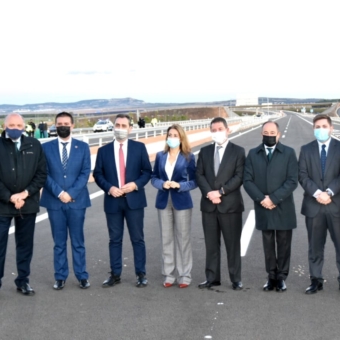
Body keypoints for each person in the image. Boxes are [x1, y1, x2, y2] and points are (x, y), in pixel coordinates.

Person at [0, 113, 47, 299]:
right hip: (1, 205)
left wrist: (25, 194)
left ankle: (23, 281)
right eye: (11, 124)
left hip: (27, 204)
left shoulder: (34, 145)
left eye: (18, 124)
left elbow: (41, 174)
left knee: (25, 245)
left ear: (24, 126)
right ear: (4, 126)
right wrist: (9, 196)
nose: (15, 127)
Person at [93, 113, 151, 288]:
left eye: (124, 126)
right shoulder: (103, 151)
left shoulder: (139, 148)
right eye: (117, 125)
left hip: (134, 201)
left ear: (130, 129)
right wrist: (109, 188)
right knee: (115, 240)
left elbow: (147, 172)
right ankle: (115, 274)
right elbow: (97, 174)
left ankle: (141, 274)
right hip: (113, 201)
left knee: (137, 239)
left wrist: (135, 185)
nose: (120, 129)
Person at [298, 115, 340, 295]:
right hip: (314, 206)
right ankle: (316, 280)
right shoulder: (306, 150)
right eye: (317, 126)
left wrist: (329, 192)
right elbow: (303, 175)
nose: (320, 129)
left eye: (324, 126)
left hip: (337, 204)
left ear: (331, 128)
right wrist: (317, 193)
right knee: (315, 246)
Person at [243, 120, 298, 292]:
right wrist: (262, 199)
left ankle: (281, 277)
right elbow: (247, 180)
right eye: (266, 133)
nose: (269, 136)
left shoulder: (289, 153)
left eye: (272, 133)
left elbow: (292, 181)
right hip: (262, 206)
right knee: (267, 244)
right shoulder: (253, 154)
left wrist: (273, 198)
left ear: (278, 134)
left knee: (283, 243)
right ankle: (271, 277)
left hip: (283, 205)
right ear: (261, 134)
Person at [40, 111, 92, 290]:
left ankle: (82, 276)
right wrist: (59, 193)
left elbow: (85, 173)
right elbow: (43, 174)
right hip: (54, 202)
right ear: (55, 125)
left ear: (72, 125)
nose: (63, 126)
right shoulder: (46, 148)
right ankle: (60, 276)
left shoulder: (83, 147)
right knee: (59, 242)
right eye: (59, 123)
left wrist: (70, 193)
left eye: (66, 123)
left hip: (77, 201)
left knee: (78, 241)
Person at [196, 117, 245, 290]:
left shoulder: (238, 151)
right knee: (211, 244)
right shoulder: (205, 151)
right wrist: (210, 193)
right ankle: (212, 277)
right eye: (213, 129)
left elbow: (239, 176)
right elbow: (199, 175)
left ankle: (235, 278)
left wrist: (220, 192)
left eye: (219, 129)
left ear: (227, 130)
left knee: (232, 245)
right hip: (209, 205)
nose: (217, 132)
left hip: (230, 206)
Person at [151, 124, 197, 288]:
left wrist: (180, 186)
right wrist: (162, 184)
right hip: (163, 200)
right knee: (166, 239)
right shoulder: (160, 156)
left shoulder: (189, 157)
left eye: (175, 135)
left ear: (181, 137)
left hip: (182, 201)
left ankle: (185, 275)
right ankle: (169, 274)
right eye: (170, 135)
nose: (172, 137)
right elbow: (153, 177)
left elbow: (194, 181)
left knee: (183, 239)